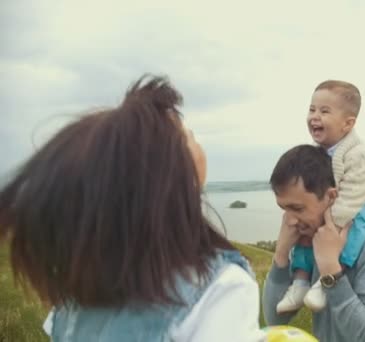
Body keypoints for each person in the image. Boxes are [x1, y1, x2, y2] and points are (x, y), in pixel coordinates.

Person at [0, 75, 265, 341]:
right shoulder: (220, 289)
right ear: (166, 183)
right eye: (187, 136)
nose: (195, 140)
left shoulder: (74, 300)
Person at [276, 80, 365, 313]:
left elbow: (351, 201)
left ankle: (329, 278)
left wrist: (325, 225)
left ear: (348, 124)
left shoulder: (359, 155)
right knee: (308, 229)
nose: (315, 116)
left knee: (356, 226)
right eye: (312, 109)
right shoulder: (323, 152)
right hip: (343, 204)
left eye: (325, 111)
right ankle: (300, 280)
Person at [263, 145, 365, 342]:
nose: (290, 220)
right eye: (284, 208)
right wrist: (281, 253)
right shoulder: (311, 239)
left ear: (331, 196)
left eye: (297, 208)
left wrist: (330, 270)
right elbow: (275, 320)